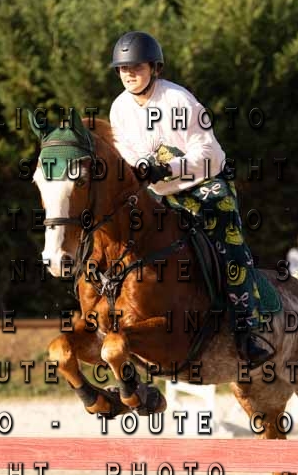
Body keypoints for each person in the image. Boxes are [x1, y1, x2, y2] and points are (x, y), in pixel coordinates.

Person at [108, 30, 271, 368]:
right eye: (123, 69)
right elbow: (127, 154)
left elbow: (207, 151)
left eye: (136, 67)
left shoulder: (178, 99)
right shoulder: (119, 109)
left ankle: (247, 331)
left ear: (154, 68)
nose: (129, 74)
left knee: (229, 245)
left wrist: (167, 167)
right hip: (162, 195)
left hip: (205, 183)